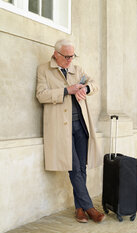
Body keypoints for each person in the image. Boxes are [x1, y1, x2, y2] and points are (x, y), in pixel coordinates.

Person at [36, 39, 105, 223]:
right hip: (61, 127)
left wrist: (85, 88)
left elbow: (94, 84)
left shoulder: (77, 69)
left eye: (72, 56)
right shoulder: (44, 69)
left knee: (81, 168)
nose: (70, 60)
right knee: (74, 168)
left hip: (81, 124)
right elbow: (41, 95)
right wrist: (67, 90)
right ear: (56, 54)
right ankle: (90, 207)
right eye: (66, 57)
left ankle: (79, 209)